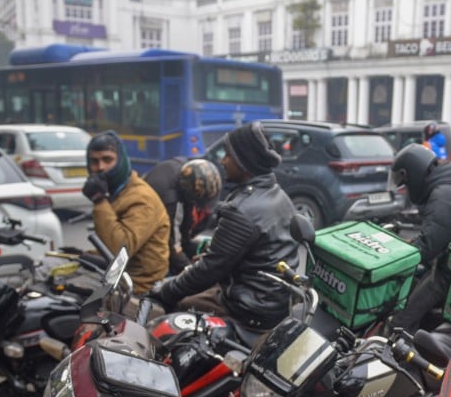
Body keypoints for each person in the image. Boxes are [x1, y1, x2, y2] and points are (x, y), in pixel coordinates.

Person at [151, 122, 299, 331]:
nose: (222, 161)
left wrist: (165, 290)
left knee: (175, 315)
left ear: (243, 162)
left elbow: (208, 270)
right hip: (272, 300)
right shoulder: (276, 193)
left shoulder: (242, 209)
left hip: (250, 308)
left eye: (228, 155)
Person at [388, 143, 451, 333]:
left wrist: (392, 257)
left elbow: (428, 246)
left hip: (450, 274)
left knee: (401, 320)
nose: (407, 189)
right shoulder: (448, 187)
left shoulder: (443, 195)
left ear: (414, 174)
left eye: (406, 183)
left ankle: (396, 354)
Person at [81, 130, 170, 294]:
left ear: (121, 160)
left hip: (138, 286)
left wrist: (99, 201)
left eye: (107, 160)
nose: (100, 167)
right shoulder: (117, 192)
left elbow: (118, 250)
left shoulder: (141, 198)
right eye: (94, 161)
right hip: (117, 275)